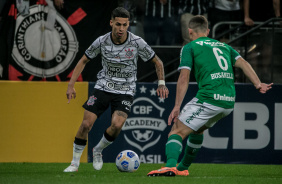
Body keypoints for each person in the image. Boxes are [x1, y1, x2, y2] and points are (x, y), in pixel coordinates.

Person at [147, 15, 273, 177]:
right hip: (228, 101)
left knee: (176, 131)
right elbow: (243, 63)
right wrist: (258, 84)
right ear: (207, 31)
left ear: (190, 31)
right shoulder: (224, 46)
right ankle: (183, 168)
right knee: (197, 130)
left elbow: (184, 77)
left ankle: (171, 166)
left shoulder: (189, 47)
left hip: (210, 98)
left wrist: (177, 106)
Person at [63, 7, 169, 172]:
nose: (121, 29)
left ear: (128, 25)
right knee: (85, 125)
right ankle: (74, 163)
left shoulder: (136, 42)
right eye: (118, 24)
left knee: (117, 125)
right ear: (111, 22)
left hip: (125, 90)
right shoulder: (101, 41)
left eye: (124, 25)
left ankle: (98, 150)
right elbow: (83, 60)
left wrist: (161, 83)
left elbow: (158, 62)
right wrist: (71, 85)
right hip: (103, 87)